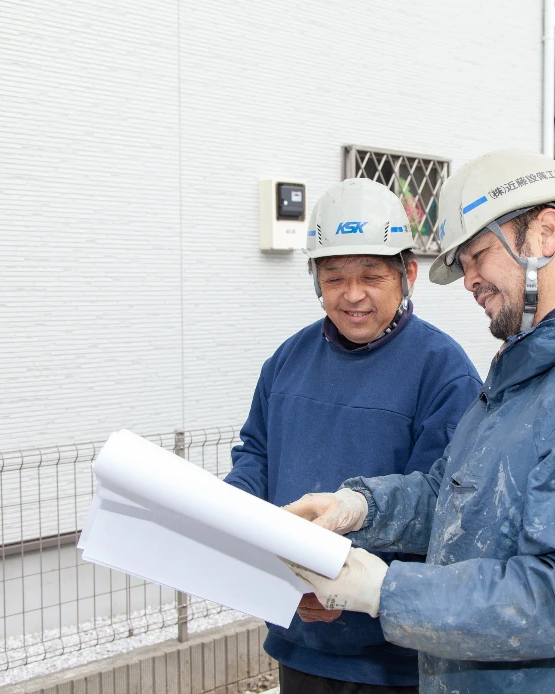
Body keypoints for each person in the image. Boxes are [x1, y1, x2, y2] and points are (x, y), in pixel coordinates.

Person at [284, 150, 555, 693]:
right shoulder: (528, 371)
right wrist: (358, 507)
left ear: (545, 233)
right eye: (463, 264)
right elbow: (459, 498)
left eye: (478, 256)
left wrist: (385, 591)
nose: (469, 281)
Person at [225, 179, 482, 694]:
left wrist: (344, 584)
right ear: (316, 281)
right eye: (335, 277)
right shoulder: (288, 361)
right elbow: (256, 454)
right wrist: (225, 514)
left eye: (371, 275)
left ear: (407, 275)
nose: (352, 295)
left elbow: (443, 509)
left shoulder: (443, 372)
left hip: (394, 657)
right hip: (297, 637)